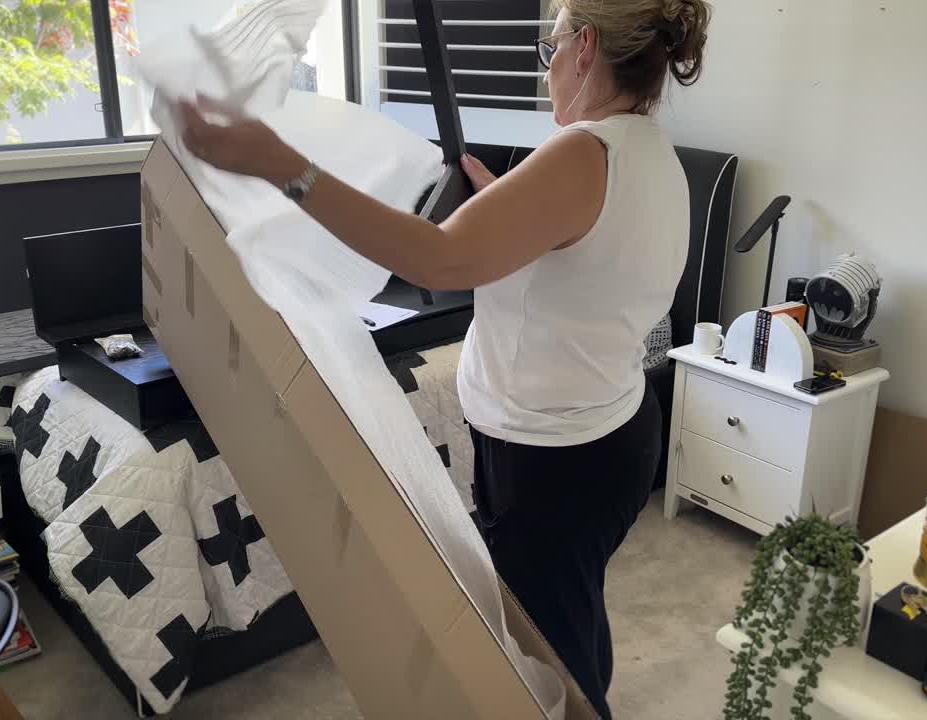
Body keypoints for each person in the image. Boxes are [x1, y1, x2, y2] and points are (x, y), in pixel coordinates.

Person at [179, 0, 711, 715]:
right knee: (571, 616)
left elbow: (435, 261)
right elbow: (587, 261)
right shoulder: (652, 153)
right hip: (612, 433)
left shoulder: (581, 153)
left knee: (552, 657)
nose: (546, 65)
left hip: (552, 463)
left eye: (547, 46)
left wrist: (283, 166)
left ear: (583, 47)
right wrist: (501, 208)